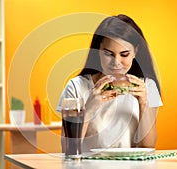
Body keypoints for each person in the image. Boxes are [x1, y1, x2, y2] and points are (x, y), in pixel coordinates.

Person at [57, 14, 163, 152]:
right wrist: (88, 110)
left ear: (135, 52)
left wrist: (144, 103)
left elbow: (148, 146)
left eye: (124, 54)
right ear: (98, 51)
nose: (116, 62)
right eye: (108, 54)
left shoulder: (148, 86)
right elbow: (67, 148)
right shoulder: (76, 87)